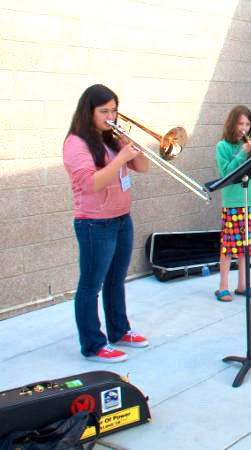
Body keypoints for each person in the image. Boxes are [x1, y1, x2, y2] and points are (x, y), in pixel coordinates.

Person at [62, 84, 150, 363]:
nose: (111, 116)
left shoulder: (112, 139)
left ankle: (119, 330)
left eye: (114, 110)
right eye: (104, 111)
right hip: (94, 223)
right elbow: (91, 184)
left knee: (116, 281)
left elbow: (143, 168)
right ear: (88, 112)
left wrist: (131, 149)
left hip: (121, 219)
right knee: (91, 285)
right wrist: (120, 159)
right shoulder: (76, 143)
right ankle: (92, 344)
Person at [214, 105, 251, 302]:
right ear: (232, 124)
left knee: (246, 247)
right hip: (233, 201)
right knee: (228, 247)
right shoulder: (223, 146)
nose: (244, 128)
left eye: (247, 124)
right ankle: (223, 287)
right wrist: (242, 153)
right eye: (240, 123)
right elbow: (226, 172)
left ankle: (243, 285)